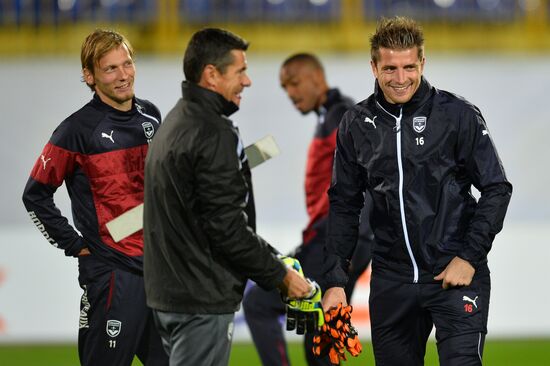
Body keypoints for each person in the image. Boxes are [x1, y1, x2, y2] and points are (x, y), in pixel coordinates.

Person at [322, 16, 512, 366]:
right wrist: (334, 281)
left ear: (422, 63)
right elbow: (344, 205)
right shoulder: (355, 123)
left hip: (453, 275)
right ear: (373, 66)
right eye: (390, 68)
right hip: (391, 281)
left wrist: (469, 257)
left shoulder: (457, 115)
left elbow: (497, 188)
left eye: (410, 67)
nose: (400, 79)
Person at [142, 28, 313, 366]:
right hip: (199, 299)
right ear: (211, 75)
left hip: (169, 295)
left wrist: (275, 259)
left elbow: (204, 217)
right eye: (240, 71)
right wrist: (281, 276)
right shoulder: (213, 133)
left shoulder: (175, 121)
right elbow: (226, 228)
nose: (247, 81)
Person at [22, 29, 168, 365]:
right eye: (111, 68)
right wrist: (73, 244)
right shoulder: (75, 131)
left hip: (160, 271)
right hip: (112, 273)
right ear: (90, 76)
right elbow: (35, 195)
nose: (123, 75)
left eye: (127, 64)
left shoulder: (151, 116)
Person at [243, 53, 374, 366]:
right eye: (284, 87)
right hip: (340, 240)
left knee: (259, 304)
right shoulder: (330, 115)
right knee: (321, 341)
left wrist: (358, 240)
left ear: (317, 77)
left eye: (294, 82)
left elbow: (369, 173)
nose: (290, 93)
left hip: (335, 240)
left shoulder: (343, 114)